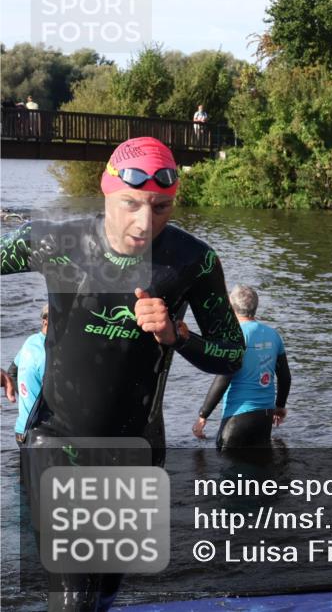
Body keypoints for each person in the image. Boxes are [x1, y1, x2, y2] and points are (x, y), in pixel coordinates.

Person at [0, 136, 246, 612]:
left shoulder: (193, 261)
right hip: (57, 438)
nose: (144, 222)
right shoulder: (54, 241)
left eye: (161, 207)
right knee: (72, 598)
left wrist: (179, 337)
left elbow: (232, 355)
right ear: (106, 189)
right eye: (131, 204)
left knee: (106, 588)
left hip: (137, 444)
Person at [192, 285, 291, 449]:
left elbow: (224, 378)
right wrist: (279, 407)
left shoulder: (234, 337)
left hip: (237, 418)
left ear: (230, 308)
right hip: (265, 418)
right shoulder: (274, 335)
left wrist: (203, 415)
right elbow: (285, 377)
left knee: (228, 469)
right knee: (261, 470)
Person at [7, 305, 48, 444]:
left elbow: (12, 372)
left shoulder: (31, 341)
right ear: (45, 321)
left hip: (21, 431)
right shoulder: (48, 352)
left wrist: (28, 398)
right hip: (40, 434)